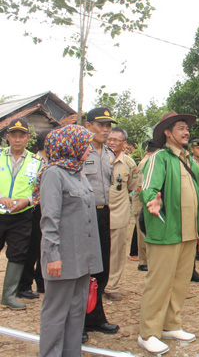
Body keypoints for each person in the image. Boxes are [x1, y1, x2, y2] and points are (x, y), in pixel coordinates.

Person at [138, 112, 199, 355]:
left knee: (179, 283)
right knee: (159, 283)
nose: (186, 131)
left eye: (187, 128)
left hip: (187, 233)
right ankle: (148, 333)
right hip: (166, 231)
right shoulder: (160, 158)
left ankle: (171, 324)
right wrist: (151, 202)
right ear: (167, 132)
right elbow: (149, 188)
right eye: (180, 127)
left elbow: (198, 197)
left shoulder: (189, 161)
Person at [36, 125, 103, 357]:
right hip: (62, 258)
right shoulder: (54, 173)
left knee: (76, 313)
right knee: (56, 314)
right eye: (85, 144)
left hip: (82, 258)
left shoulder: (78, 172)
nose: (89, 148)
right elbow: (49, 220)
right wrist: (52, 256)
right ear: (69, 145)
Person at [82, 107, 119, 339]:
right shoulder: (80, 151)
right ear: (88, 126)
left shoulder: (108, 153)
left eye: (109, 126)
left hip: (104, 214)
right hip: (84, 215)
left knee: (101, 268)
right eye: (101, 125)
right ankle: (80, 321)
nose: (106, 130)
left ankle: (96, 317)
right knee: (84, 270)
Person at [0, 118, 43, 310]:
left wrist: (27, 200)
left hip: (22, 215)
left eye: (22, 136)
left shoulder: (37, 161)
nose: (17, 139)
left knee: (18, 254)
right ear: (7, 137)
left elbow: (40, 189)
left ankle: (8, 295)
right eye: (14, 135)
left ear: (28, 138)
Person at [17, 128, 51, 299]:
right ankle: (24, 285)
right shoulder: (33, 161)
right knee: (31, 248)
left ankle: (42, 282)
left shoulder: (53, 161)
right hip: (33, 209)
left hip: (47, 208)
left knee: (46, 247)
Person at [105, 128, 138, 301]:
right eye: (109, 139)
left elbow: (132, 186)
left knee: (116, 253)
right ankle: (95, 283)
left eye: (116, 140)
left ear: (124, 144)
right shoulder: (94, 159)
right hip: (98, 213)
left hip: (118, 214)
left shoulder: (129, 164)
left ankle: (111, 286)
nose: (111, 142)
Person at [131, 140, 158, 272]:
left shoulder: (149, 161)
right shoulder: (145, 162)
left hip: (145, 203)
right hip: (141, 203)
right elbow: (141, 187)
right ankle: (143, 261)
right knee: (142, 234)